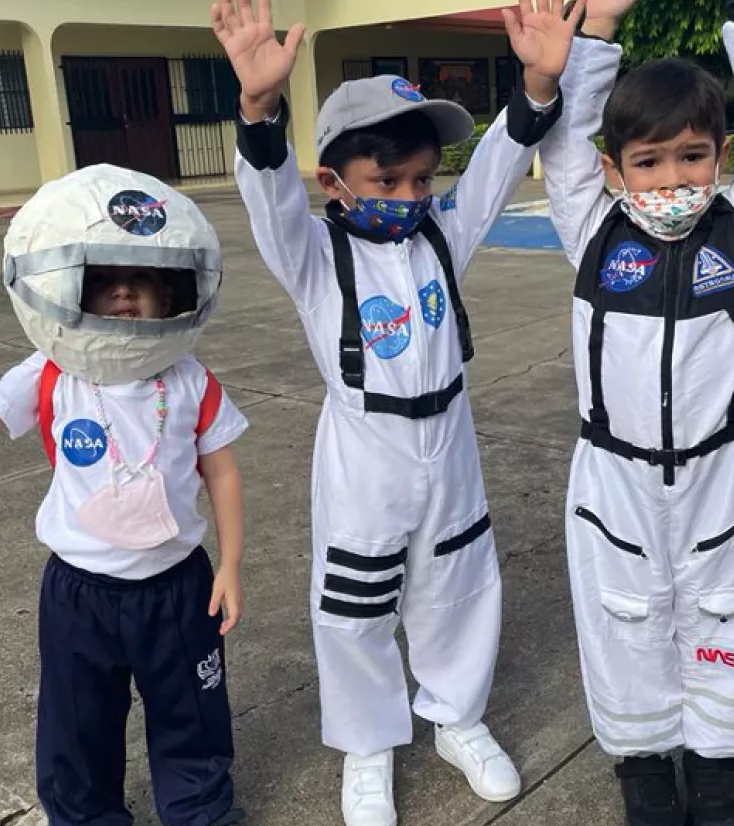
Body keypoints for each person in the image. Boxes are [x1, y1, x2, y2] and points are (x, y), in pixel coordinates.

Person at [213, 0, 579, 823]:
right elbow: (269, 199)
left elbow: (493, 165)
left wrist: (539, 85)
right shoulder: (313, 253)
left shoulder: (443, 235)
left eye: (421, 178)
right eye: (386, 182)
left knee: (459, 581)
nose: (410, 195)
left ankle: (456, 715)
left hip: (448, 440)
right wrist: (259, 110)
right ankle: (370, 741)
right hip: (364, 447)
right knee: (355, 602)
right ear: (333, 183)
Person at [0, 165, 250, 826]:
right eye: (102, 280)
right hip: (80, 595)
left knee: (192, 712)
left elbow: (222, 472)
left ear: (173, 293)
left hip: (178, 588)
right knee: (77, 723)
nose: (124, 293)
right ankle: (84, 815)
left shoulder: (188, 379)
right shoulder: (50, 375)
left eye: (142, 280)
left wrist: (232, 564)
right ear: (68, 291)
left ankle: (199, 808)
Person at [539, 0, 734, 824]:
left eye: (693, 157)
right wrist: (595, 37)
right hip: (613, 474)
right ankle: (644, 761)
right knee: (623, 616)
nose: (671, 180)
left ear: (721, 158)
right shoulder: (592, 231)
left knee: (726, 606)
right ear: (615, 170)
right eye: (648, 162)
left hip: (722, 472)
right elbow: (562, 150)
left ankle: (715, 757)